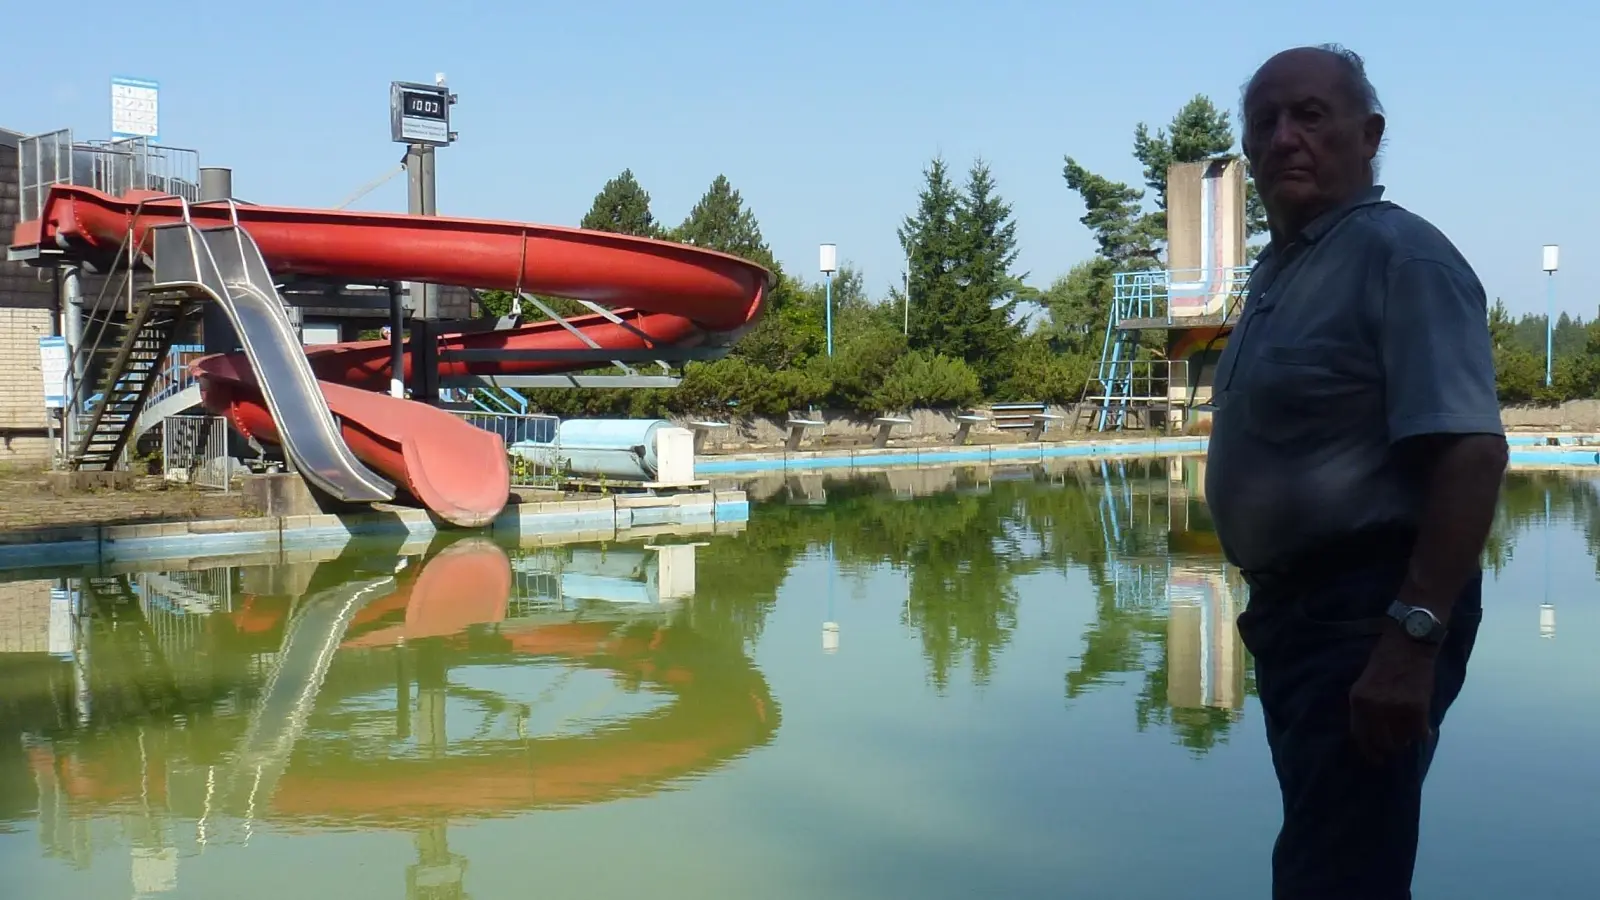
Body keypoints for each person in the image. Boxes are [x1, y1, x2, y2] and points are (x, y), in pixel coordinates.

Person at [1204, 45, 1509, 899]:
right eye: (1265, 122)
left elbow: (1471, 452)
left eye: (1310, 115)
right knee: (1329, 857)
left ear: (1369, 135)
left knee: (1334, 874)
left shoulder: (1400, 257)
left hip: (1366, 616)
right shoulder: (1284, 270)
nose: (1284, 138)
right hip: (1299, 620)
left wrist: (1412, 639)